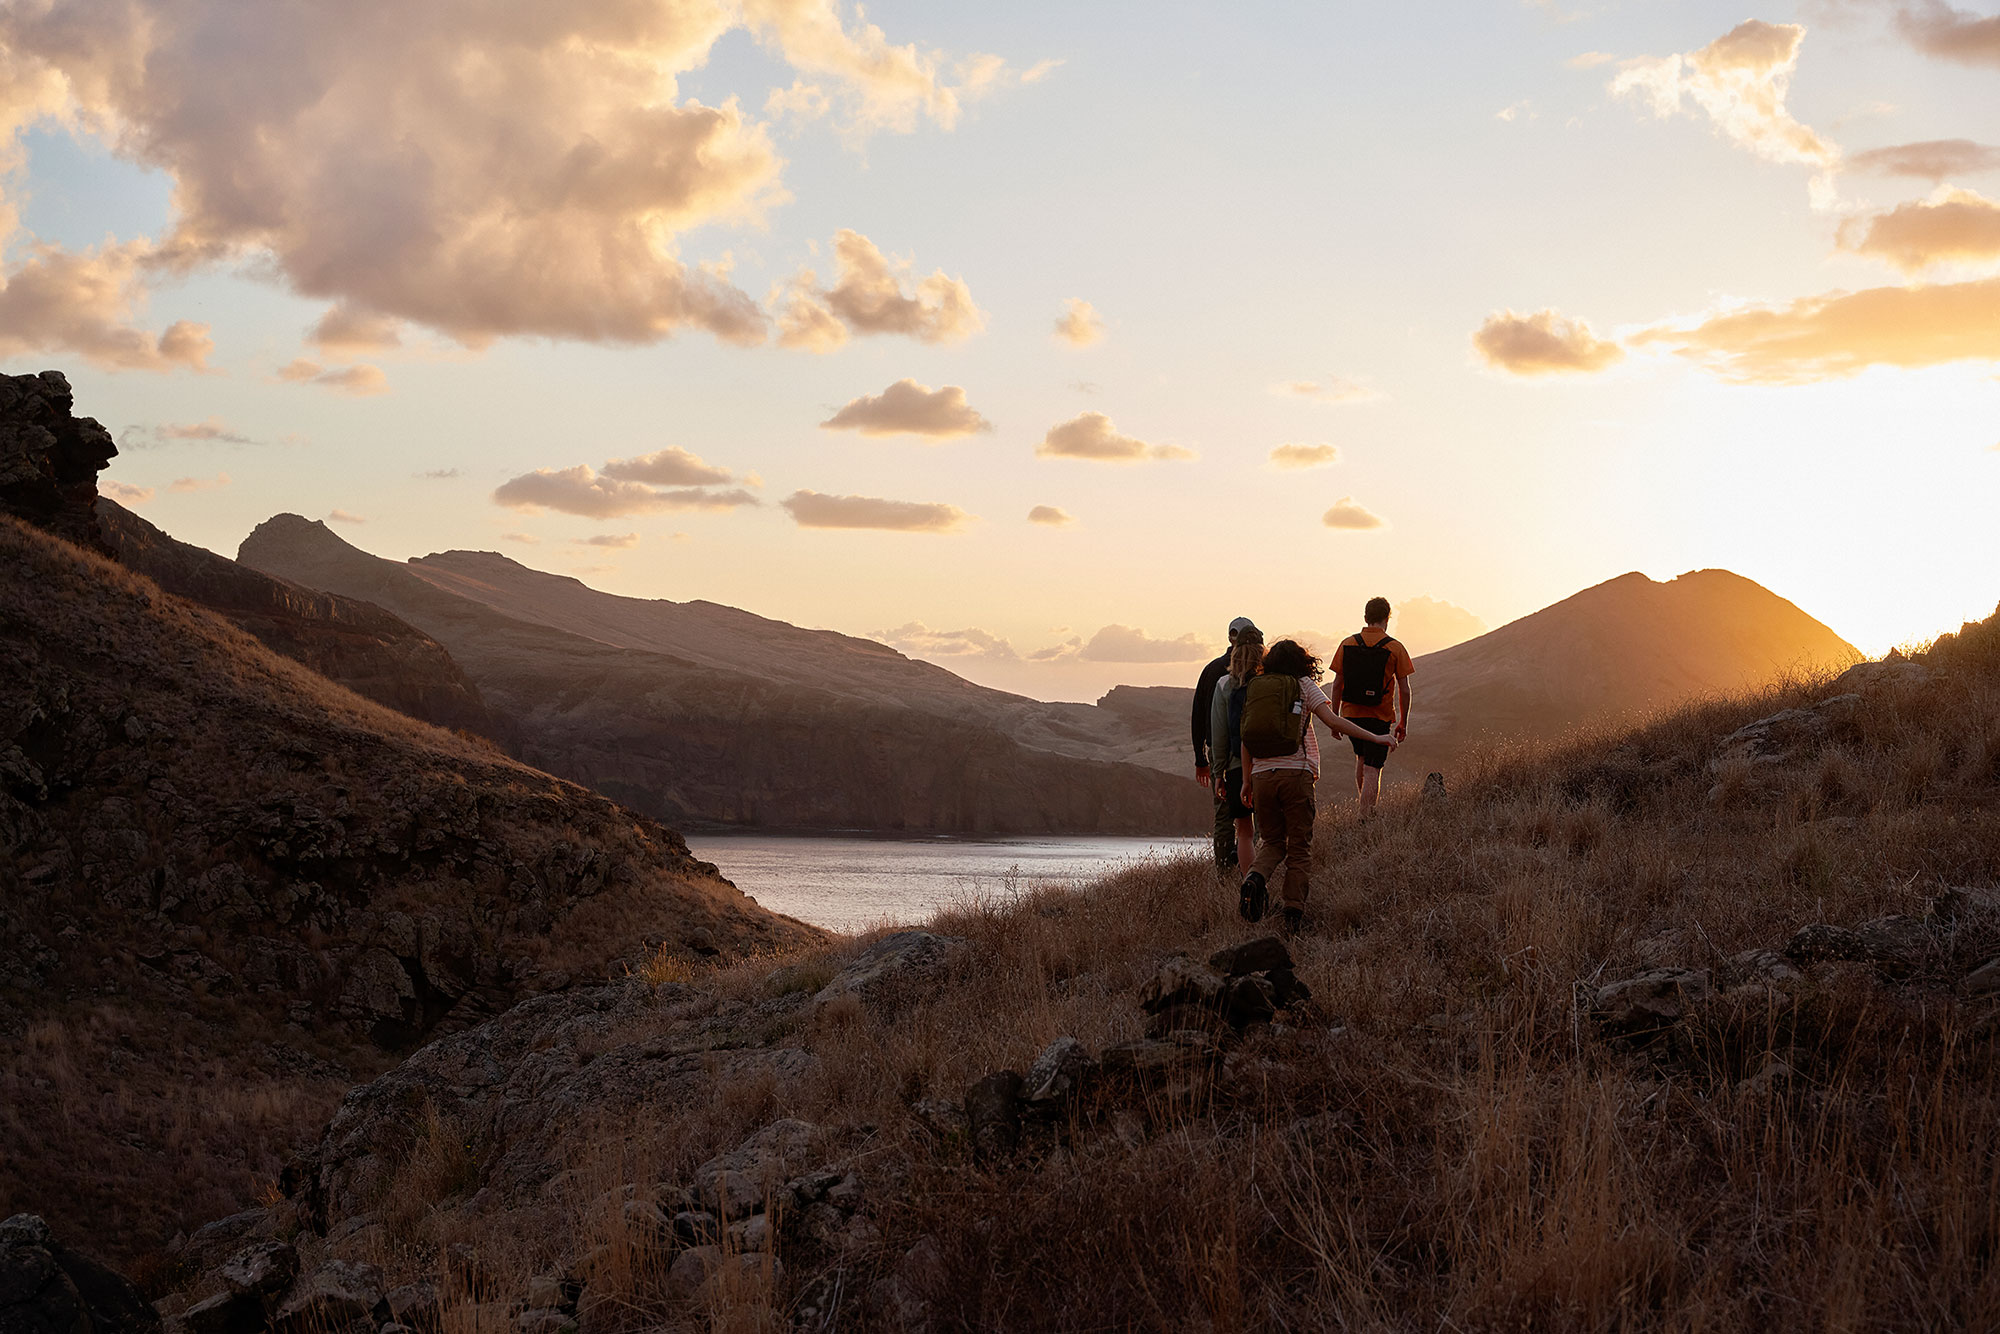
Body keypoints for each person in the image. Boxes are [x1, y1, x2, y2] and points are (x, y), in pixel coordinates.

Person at [1239, 638, 1396, 933]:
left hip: (1261, 777)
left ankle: (1254, 878)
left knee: (1272, 842)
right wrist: (1376, 738)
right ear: (1302, 662)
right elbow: (1334, 722)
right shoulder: (1303, 685)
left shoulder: (1257, 688)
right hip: (1295, 775)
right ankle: (1293, 915)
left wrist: (1247, 780)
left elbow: (1245, 736)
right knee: (1299, 848)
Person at [1329, 597, 1416, 817]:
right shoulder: (1395, 647)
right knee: (1372, 768)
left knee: (1361, 757)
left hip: (1351, 715)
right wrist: (1403, 721)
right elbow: (1404, 689)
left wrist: (1334, 719)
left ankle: (1363, 810)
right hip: (1379, 715)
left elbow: (1338, 684)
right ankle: (1366, 818)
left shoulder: (1348, 643)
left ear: (1366, 617)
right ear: (1387, 618)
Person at [1191, 615, 1260, 871]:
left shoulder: (1213, 672)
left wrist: (1204, 761)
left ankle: (1223, 872)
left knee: (1224, 817)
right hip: (1263, 756)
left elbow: (1200, 717)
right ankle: (1260, 871)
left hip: (1226, 758)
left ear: (1230, 637)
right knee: (1261, 818)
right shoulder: (1266, 673)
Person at [1207, 629, 1263, 876]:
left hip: (1236, 766)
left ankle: (1248, 886)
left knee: (1244, 832)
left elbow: (1218, 735)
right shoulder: (1271, 681)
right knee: (1270, 831)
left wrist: (1219, 772)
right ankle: (1268, 879)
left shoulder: (1224, 685)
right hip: (1269, 764)